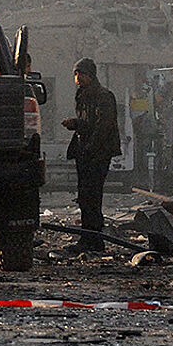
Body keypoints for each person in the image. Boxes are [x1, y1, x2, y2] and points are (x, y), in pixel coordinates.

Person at [61, 58, 121, 252]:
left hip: (97, 153)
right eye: (76, 74)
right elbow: (87, 123)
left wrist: (88, 142)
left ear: (91, 75)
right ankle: (87, 238)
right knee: (85, 196)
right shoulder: (82, 95)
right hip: (85, 151)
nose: (78, 78)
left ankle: (94, 239)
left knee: (92, 196)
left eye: (82, 73)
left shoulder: (103, 96)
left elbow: (104, 126)